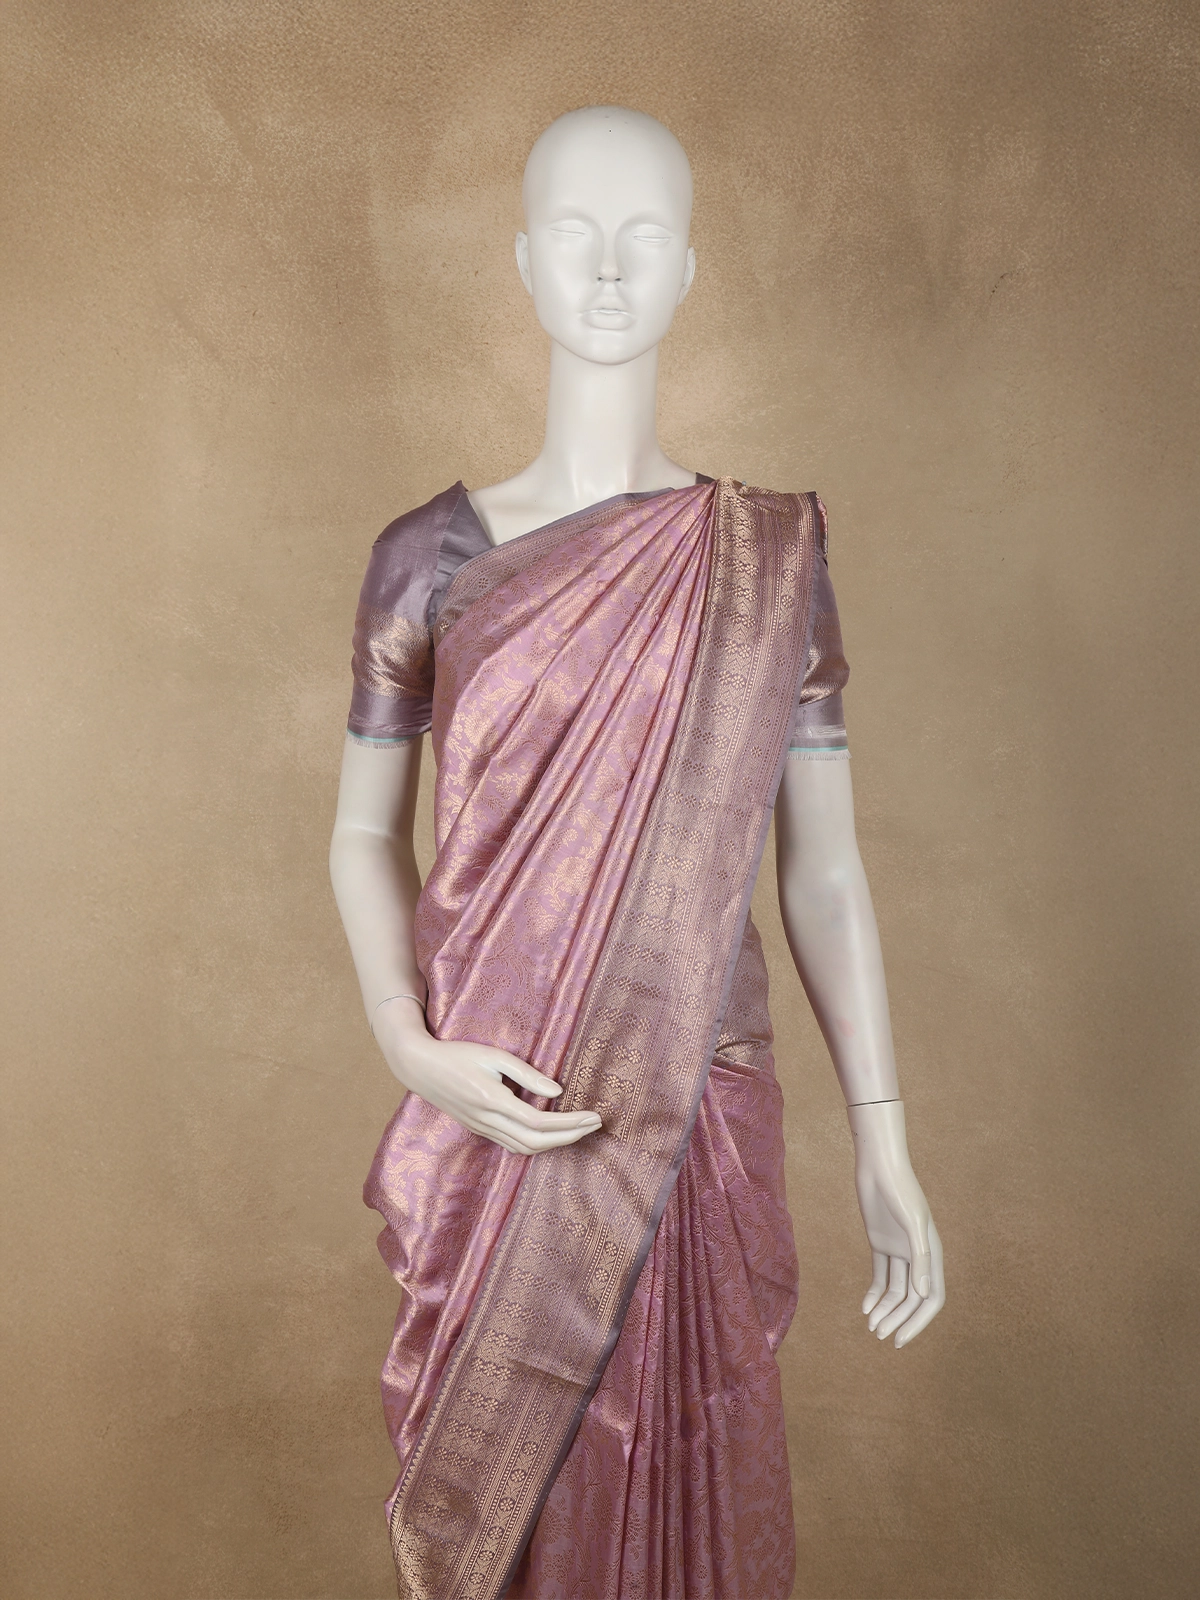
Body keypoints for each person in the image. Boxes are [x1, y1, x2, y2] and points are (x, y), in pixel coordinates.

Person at [329, 104, 944, 1600]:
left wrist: (883, 1135)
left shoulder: (767, 564)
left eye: (644, 237)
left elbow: (824, 870)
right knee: (507, 1507)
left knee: (687, 1481)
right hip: (497, 1105)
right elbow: (360, 830)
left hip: (693, 1106)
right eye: (575, 235)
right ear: (522, 262)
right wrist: (409, 1046)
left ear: (689, 269)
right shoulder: (431, 558)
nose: (608, 270)